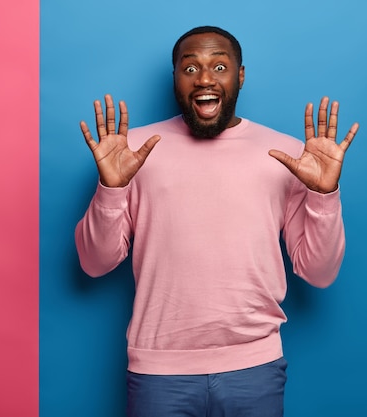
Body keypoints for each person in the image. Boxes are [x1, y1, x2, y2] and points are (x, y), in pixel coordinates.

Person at [75, 26, 359, 417]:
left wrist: (324, 195)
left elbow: (320, 273)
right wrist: (111, 187)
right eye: (190, 68)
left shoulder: (288, 156)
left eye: (220, 66)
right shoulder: (131, 153)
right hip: (159, 372)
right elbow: (94, 263)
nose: (205, 78)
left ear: (240, 76)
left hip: (255, 368)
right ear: (175, 78)